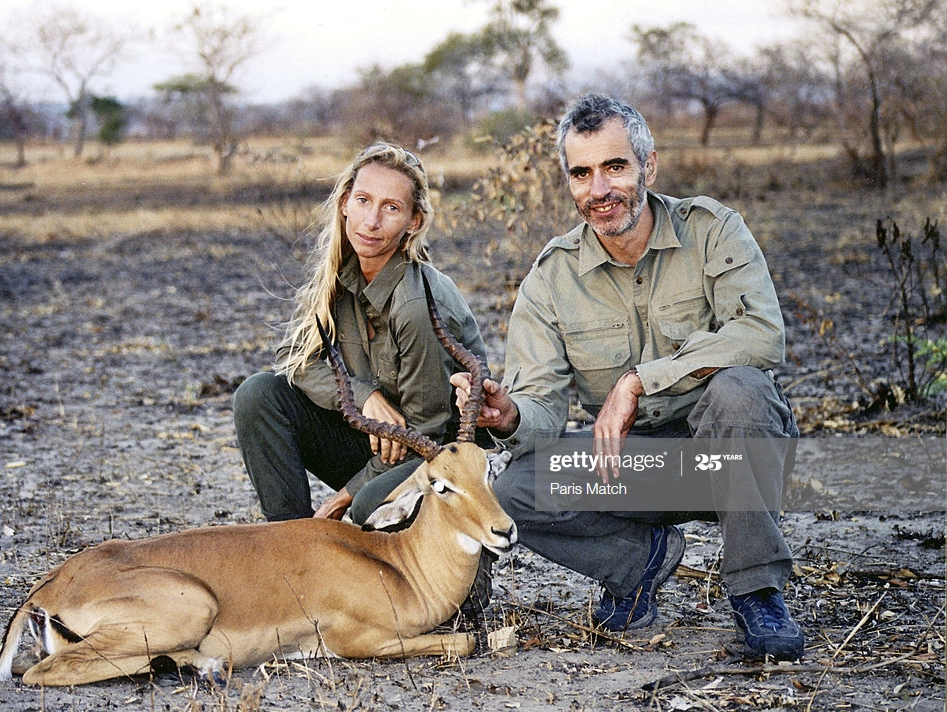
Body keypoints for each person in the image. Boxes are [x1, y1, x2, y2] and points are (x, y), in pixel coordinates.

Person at [452, 94, 804, 660]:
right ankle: (638, 562)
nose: (599, 190)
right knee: (514, 487)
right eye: (581, 173)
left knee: (741, 389)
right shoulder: (550, 279)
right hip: (638, 471)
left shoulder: (713, 230)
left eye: (615, 167)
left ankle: (758, 590)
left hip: (733, 460)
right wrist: (510, 414)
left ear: (649, 166)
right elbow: (539, 404)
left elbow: (763, 334)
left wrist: (638, 380)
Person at [233, 142, 486, 527]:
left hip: (434, 458)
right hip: (376, 443)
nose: (371, 221)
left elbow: (427, 433)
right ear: (345, 203)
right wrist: (364, 396)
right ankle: (291, 542)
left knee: (369, 506)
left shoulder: (417, 303)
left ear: (413, 222)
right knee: (258, 395)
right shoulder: (338, 274)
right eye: (364, 200)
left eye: (391, 208)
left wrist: (346, 494)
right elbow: (294, 360)